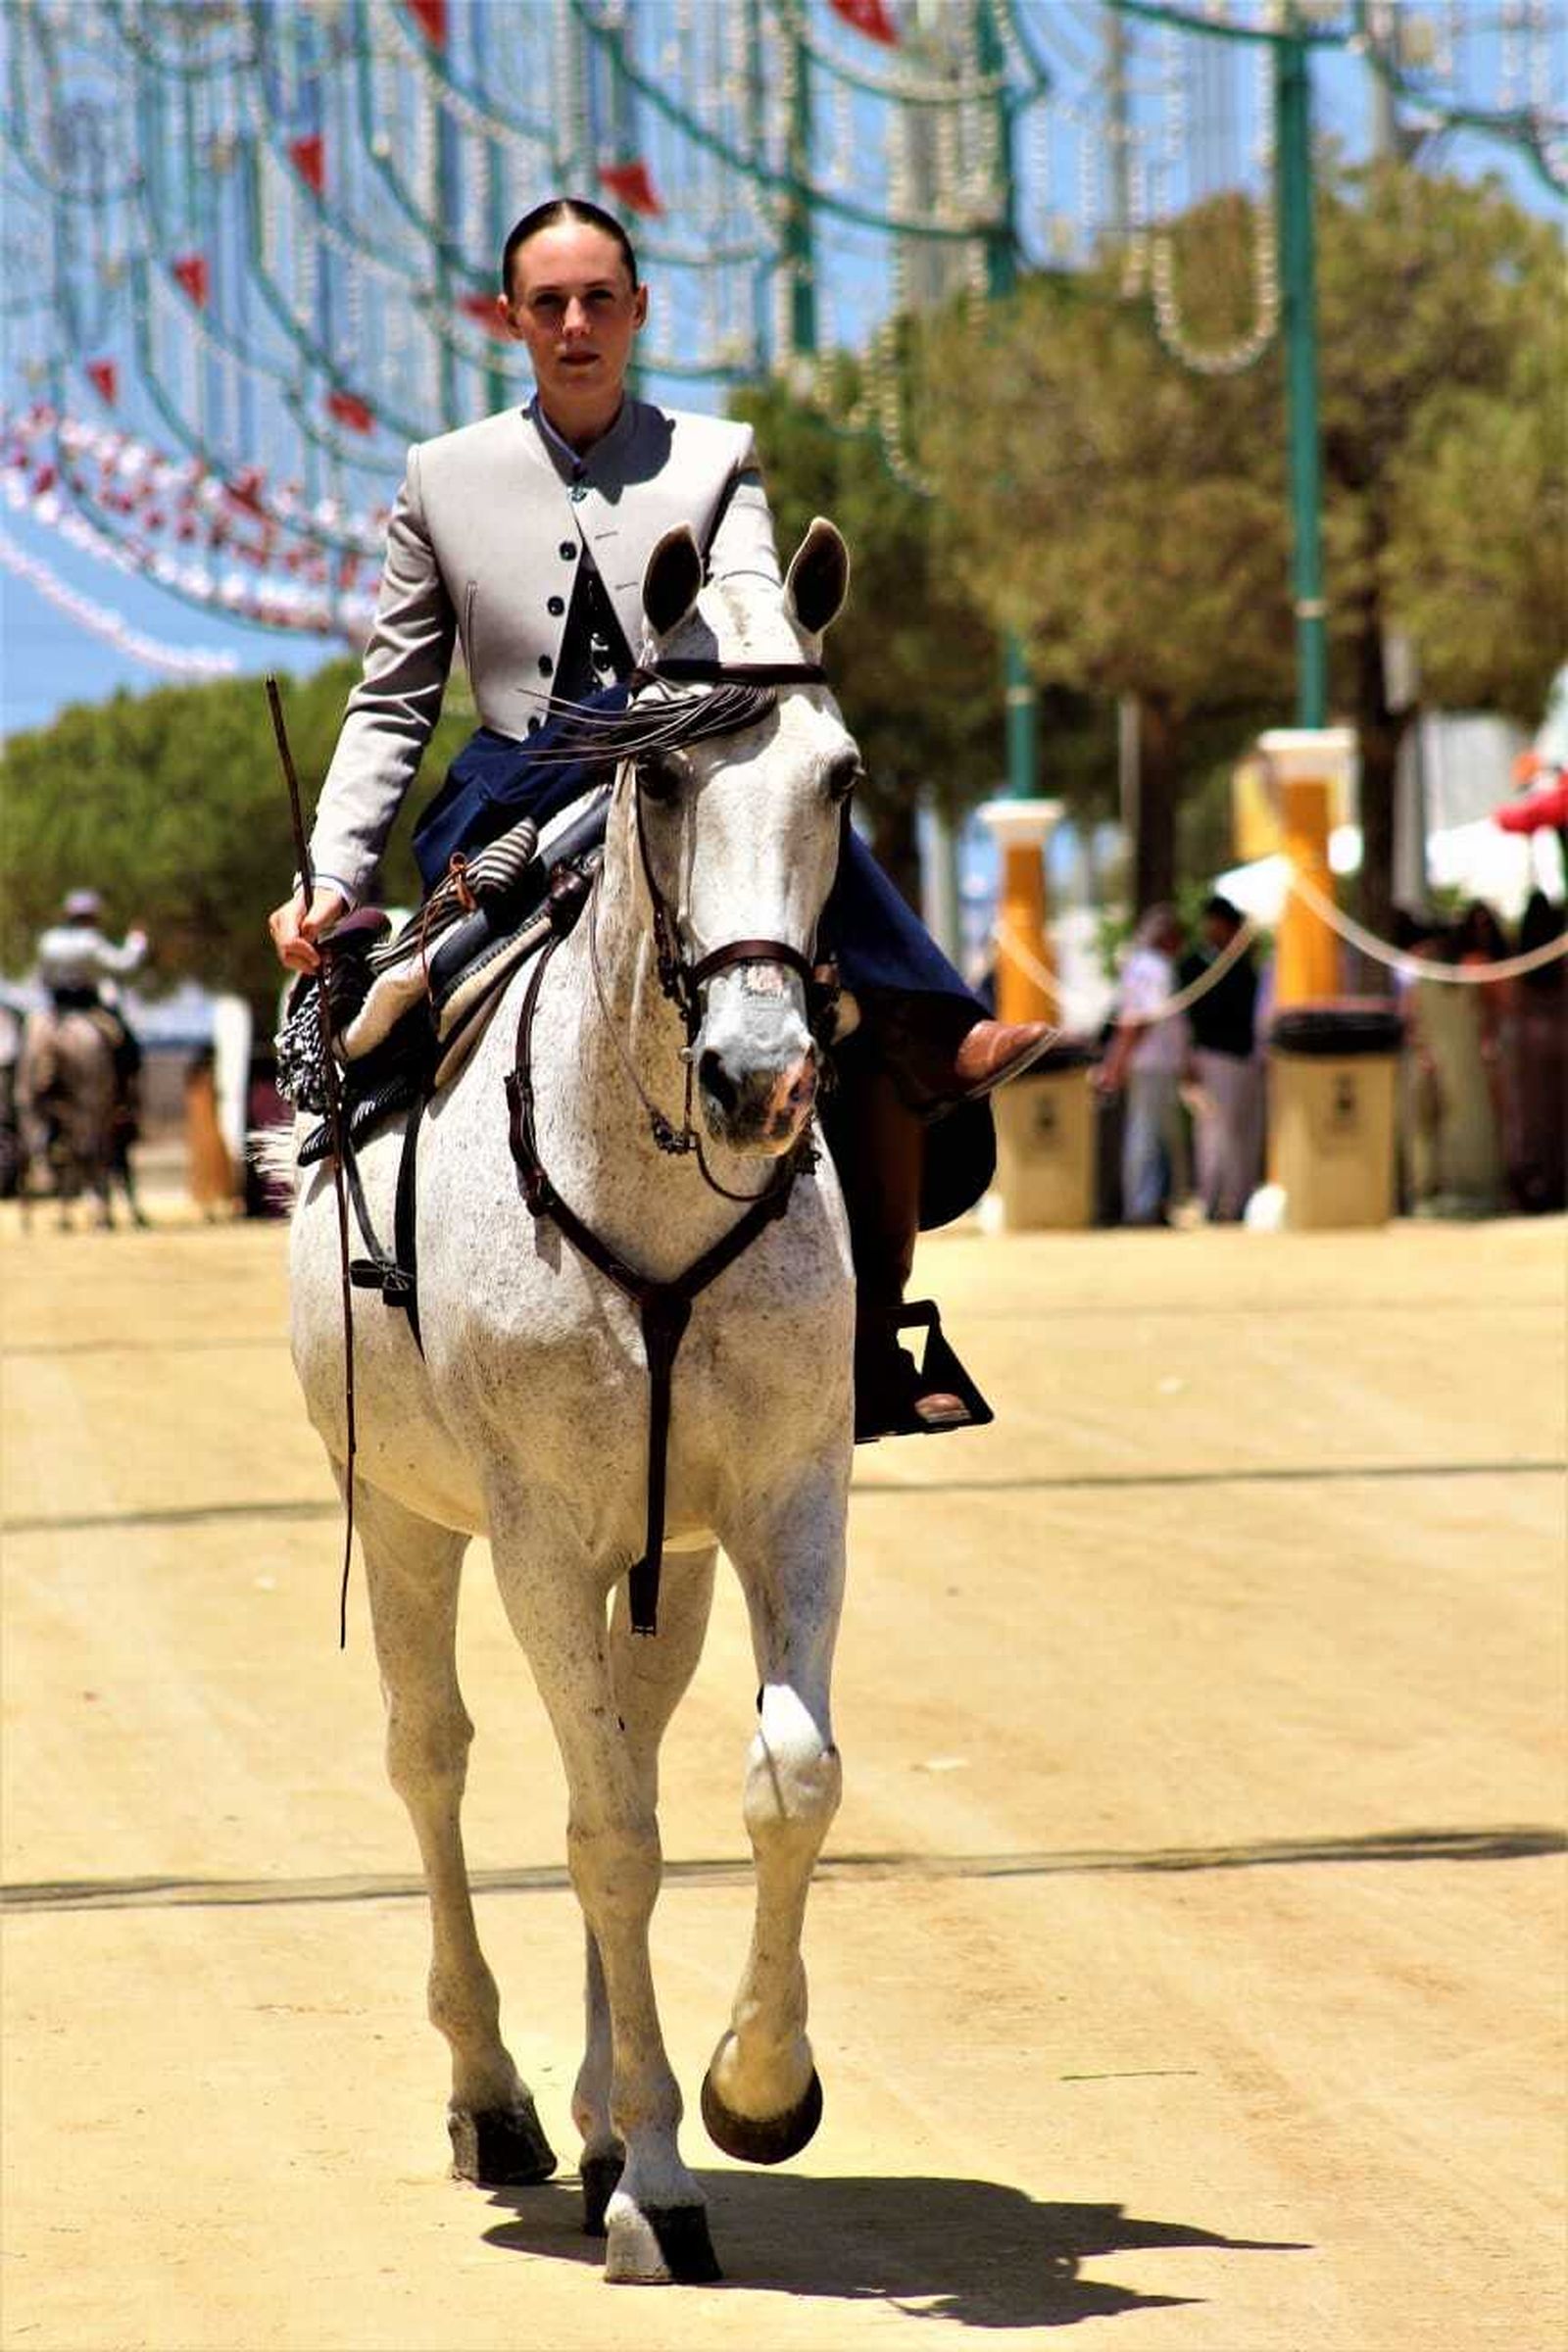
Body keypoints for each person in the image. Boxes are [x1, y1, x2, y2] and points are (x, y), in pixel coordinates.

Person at [268, 196, 1051, 1434]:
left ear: (637, 312)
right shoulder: (440, 477)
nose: (574, 326)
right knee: (403, 1014)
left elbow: (748, 607)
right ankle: (384, 1292)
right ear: (510, 319)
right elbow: (393, 701)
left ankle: (885, 1258)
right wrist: (329, 873)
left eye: (597, 301)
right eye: (548, 304)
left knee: (795, 843)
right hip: (517, 792)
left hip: (684, 774)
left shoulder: (717, 455)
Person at [1097, 905, 1191, 1227]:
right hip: (1155, 1061)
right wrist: (1117, 1062)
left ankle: (1150, 1203)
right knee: (1151, 1136)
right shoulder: (1155, 968)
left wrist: (1116, 1061)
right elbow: (1140, 1021)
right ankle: (1145, 1206)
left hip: (1149, 1061)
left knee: (1148, 1134)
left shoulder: (1137, 966)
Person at [1178, 894, 1261, 1222]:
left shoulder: (1242, 966)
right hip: (1212, 1056)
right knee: (1215, 1134)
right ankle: (1213, 1200)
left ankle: (1238, 1199)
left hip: (1242, 1056)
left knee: (1242, 1133)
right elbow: (1187, 1018)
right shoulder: (1193, 966)